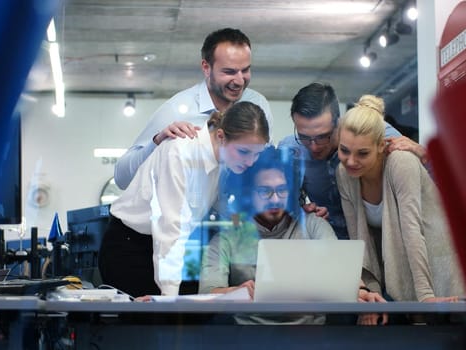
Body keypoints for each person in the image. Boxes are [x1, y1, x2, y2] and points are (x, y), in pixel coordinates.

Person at [98, 101, 269, 298]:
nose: (250, 162)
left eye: (256, 154)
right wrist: (169, 298)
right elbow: (170, 227)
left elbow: (226, 206)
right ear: (221, 136)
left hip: (172, 249)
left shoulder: (225, 159)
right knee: (159, 320)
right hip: (129, 248)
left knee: (198, 314)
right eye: (244, 152)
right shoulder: (180, 152)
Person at [199, 146, 387, 325]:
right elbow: (206, 293)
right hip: (249, 333)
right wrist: (234, 292)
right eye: (265, 191)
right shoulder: (228, 237)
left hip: (311, 333)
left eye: (282, 190)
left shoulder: (313, 225)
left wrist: (361, 292)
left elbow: (339, 272)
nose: (275, 199)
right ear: (248, 193)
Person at [336, 95, 465, 302]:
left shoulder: (400, 163)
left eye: (362, 153)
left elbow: (412, 230)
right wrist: (370, 292)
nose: (351, 161)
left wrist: (425, 296)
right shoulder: (344, 174)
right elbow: (359, 241)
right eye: (344, 150)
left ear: (381, 145)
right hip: (402, 275)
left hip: (438, 268)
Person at [114, 28, 274, 190]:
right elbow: (122, 179)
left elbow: (263, 164)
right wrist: (157, 142)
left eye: (245, 70)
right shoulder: (176, 110)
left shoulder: (257, 103)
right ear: (206, 67)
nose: (240, 81)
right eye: (229, 72)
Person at [278, 82, 428, 239]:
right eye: (304, 137)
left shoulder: (373, 133)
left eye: (322, 136)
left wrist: (424, 156)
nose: (313, 147)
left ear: (338, 122)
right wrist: (303, 213)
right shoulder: (291, 150)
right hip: (331, 244)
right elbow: (283, 209)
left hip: (382, 241)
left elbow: (432, 186)